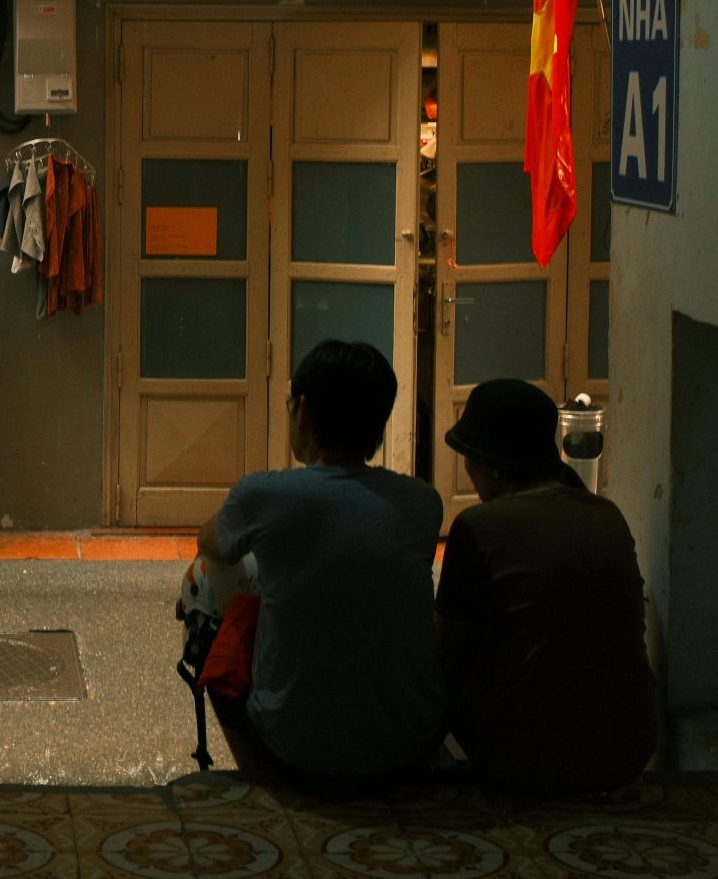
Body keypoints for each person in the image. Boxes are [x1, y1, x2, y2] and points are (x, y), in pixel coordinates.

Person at [193, 339, 448, 790]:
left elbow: (210, 543)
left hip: (297, 750)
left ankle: (260, 777)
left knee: (202, 590)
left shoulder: (262, 496)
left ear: (303, 412)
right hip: (408, 747)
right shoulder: (422, 504)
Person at [435, 379, 660, 795]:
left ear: (489, 465)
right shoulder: (607, 514)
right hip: (628, 749)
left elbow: (445, 647)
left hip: (524, 760)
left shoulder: (478, 528)